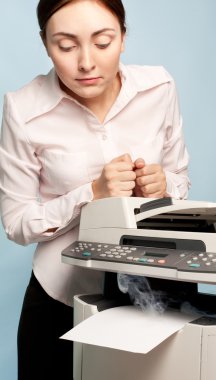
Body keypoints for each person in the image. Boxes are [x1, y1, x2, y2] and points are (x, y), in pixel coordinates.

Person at [0, 0, 190, 379]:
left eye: (102, 42)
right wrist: (91, 193)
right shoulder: (23, 109)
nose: (86, 62)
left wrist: (163, 184)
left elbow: (180, 182)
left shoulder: (159, 88)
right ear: (45, 43)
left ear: (122, 36)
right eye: (66, 46)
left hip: (152, 290)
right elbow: (16, 223)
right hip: (61, 296)